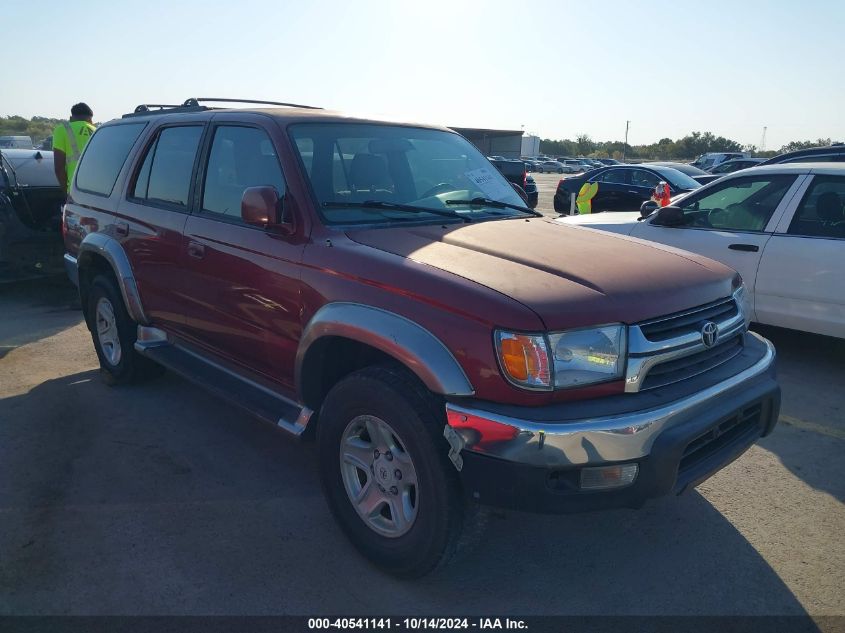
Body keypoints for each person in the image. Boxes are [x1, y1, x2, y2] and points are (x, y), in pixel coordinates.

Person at [52, 103, 96, 194]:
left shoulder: (61, 130)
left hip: (76, 190)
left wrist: (66, 192)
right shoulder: (97, 130)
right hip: (98, 190)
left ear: (71, 117)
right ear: (90, 119)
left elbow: (59, 168)